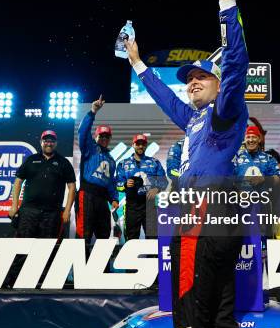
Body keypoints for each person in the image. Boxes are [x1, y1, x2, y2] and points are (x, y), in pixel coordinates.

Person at [125, 0, 248, 328]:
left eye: (201, 77)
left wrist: (225, 0)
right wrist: (138, 63)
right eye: (189, 79)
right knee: (217, 312)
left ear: (217, 84)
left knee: (193, 309)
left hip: (210, 212)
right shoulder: (194, 119)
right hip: (205, 216)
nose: (193, 82)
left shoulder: (224, 111)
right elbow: (166, 100)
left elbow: (236, 64)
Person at [9, 130, 76, 239]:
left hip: (52, 212)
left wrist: (67, 211)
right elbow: (18, 182)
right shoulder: (31, 160)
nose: (49, 143)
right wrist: (14, 205)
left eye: (52, 141)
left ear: (56, 143)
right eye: (46, 140)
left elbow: (72, 187)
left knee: (47, 249)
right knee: (22, 248)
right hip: (28, 211)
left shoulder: (64, 162)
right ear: (41, 142)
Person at [76, 95, 119, 243]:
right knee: (83, 234)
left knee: (104, 235)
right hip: (87, 194)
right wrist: (92, 112)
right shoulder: (90, 148)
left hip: (102, 199)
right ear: (95, 137)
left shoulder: (112, 160)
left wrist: (113, 198)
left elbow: (111, 182)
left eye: (107, 137)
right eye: (101, 136)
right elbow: (82, 131)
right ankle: (80, 266)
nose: (104, 139)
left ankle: (104, 267)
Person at [116, 134, 168, 240]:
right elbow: (117, 185)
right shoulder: (123, 164)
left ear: (146, 146)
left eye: (143, 144)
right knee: (131, 238)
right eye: (138, 144)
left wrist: (157, 189)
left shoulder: (154, 162)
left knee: (153, 238)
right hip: (131, 206)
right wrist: (125, 184)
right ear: (133, 145)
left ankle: (153, 257)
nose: (140, 146)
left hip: (149, 205)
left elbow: (164, 181)